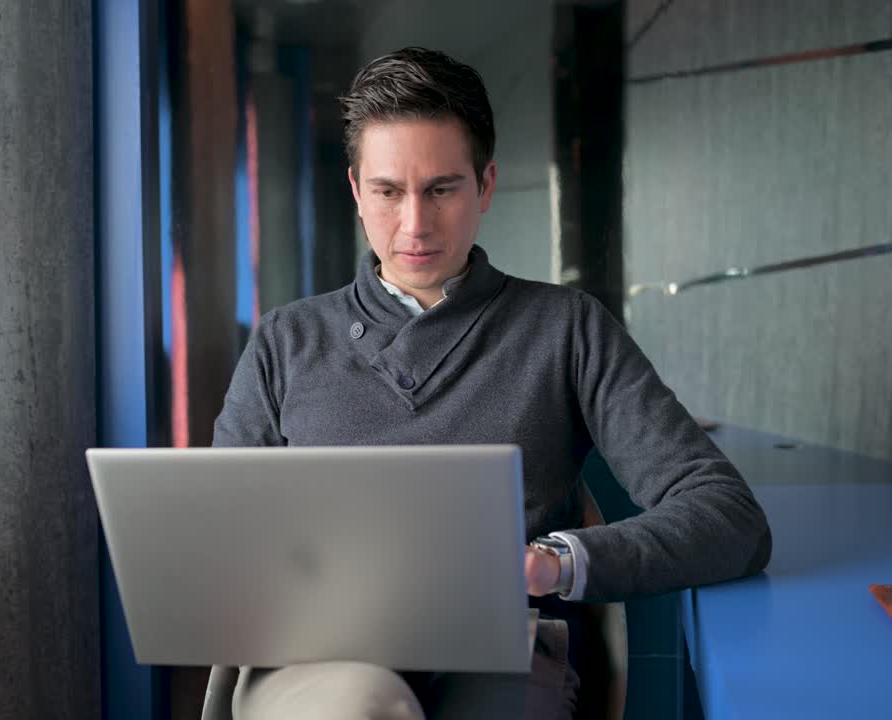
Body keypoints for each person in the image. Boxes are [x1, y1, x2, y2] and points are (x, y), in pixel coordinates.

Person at [204, 46, 772, 719]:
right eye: (388, 191)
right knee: (357, 707)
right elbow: (222, 542)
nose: (415, 224)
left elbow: (730, 519)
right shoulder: (284, 341)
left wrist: (554, 561)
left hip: (504, 648)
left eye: (442, 189)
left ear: (487, 184)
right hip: (319, 659)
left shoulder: (565, 329)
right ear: (357, 190)